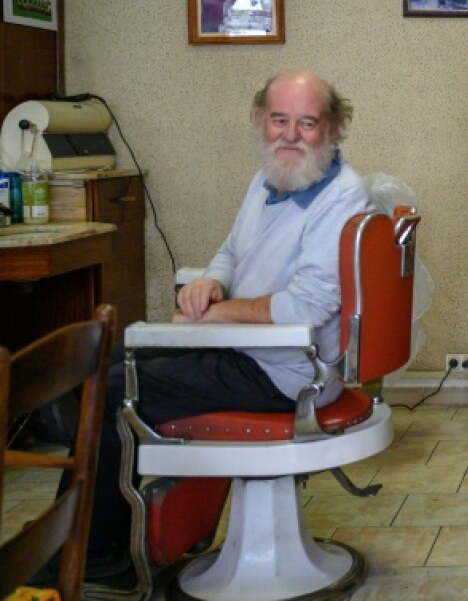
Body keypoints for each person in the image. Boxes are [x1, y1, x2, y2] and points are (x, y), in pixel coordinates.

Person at [57, 70, 370, 586]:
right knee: (104, 366)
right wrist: (213, 284)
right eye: (279, 120)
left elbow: (307, 308)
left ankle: (96, 557)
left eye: (307, 123)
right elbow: (232, 250)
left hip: (286, 372)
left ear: (333, 129)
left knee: (112, 391)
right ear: (259, 121)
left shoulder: (341, 196)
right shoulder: (274, 175)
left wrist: (209, 315)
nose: (290, 134)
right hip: (250, 351)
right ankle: (117, 531)